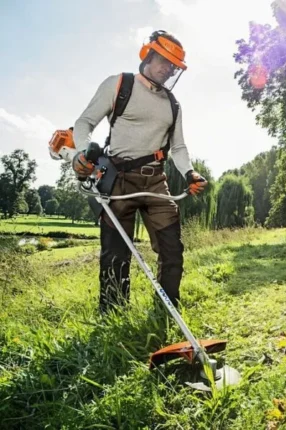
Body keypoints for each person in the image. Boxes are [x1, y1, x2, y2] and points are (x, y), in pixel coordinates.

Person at [71, 30, 207, 313]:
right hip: (118, 180)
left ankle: (166, 312)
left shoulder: (173, 104)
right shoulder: (120, 84)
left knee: (172, 249)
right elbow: (84, 123)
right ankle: (113, 315)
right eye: (164, 62)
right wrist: (84, 153)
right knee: (115, 255)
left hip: (156, 182)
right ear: (148, 54)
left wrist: (190, 173)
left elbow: (178, 147)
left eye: (173, 66)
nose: (168, 69)